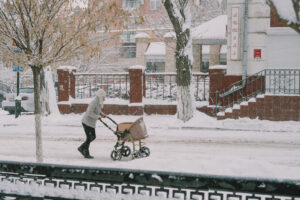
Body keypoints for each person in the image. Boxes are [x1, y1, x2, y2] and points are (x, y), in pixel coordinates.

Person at [78, 89, 106, 159]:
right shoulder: (94, 102)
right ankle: (85, 152)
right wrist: (97, 117)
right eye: (103, 96)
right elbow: (89, 113)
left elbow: (98, 110)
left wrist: (103, 114)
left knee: (92, 137)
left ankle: (82, 148)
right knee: (90, 137)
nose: (104, 98)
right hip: (86, 122)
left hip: (91, 123)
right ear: (100, 96)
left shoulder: (98, 102)